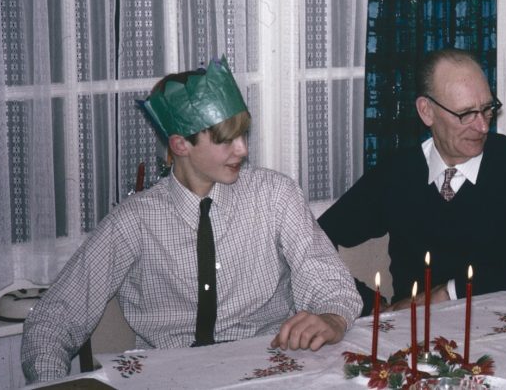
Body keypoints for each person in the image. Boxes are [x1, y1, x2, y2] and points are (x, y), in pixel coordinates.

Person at [21, 57, 361, 383]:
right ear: (180, 144)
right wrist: (50, 383)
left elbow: (329, 282)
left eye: (244, 135)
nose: (242, 150)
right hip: (169, 378)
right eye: (226, 140)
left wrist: (332, 317)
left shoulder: (276, 195)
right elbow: (53, 320)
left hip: (268, 371)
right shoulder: (134, 220)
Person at [318, 48, 506, 314]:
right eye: (466, 114)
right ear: (427, 112)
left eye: (487, 109)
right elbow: (314, 238)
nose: (482, 126)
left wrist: (449, 292)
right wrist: (371, 305)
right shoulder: (398, 173)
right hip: (418, 333)